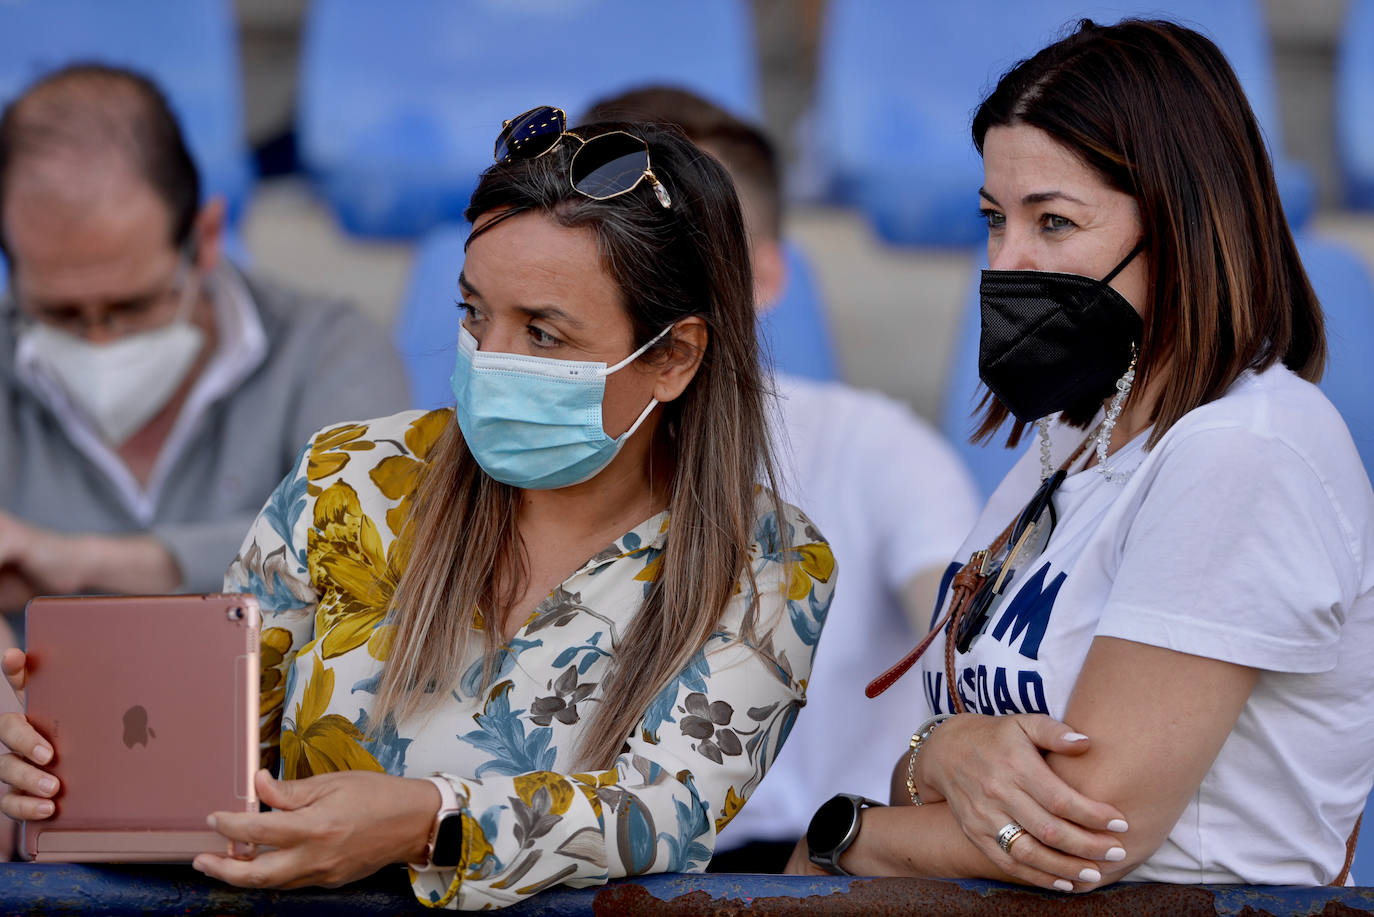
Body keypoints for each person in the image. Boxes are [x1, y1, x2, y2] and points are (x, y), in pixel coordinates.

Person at [1, 108, 835, 908]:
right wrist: (57, 754)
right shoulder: (354, 474)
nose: (489, 359)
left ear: (676, 357)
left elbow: (661, 813)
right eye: (475, 314)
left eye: (544, 334)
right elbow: (216, 747)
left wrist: (425, 821)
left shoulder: (768, 563)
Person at [786, 18, 1374, 890]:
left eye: (1054, 222)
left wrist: (846, 837)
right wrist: (939, 752)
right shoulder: (1067, 437)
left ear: (1182, 226)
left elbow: (1090, 830)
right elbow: (945, 755)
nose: (1007, 260)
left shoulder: (1245, 454)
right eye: (994, 219)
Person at [584, 87, 980, 872]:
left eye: (679, 258)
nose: (639, 293)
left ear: (765, 275)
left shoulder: (875, 445)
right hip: (561, 865)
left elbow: (958, 632)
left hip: (818, 870)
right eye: (610, 253)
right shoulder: (510, 449)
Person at [0, 64, 407, 621]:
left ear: (206, 237)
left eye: (133, 305)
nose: (98, 339)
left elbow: (365, 541)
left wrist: (79, 563)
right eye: (59, 312)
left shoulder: (330, 350)